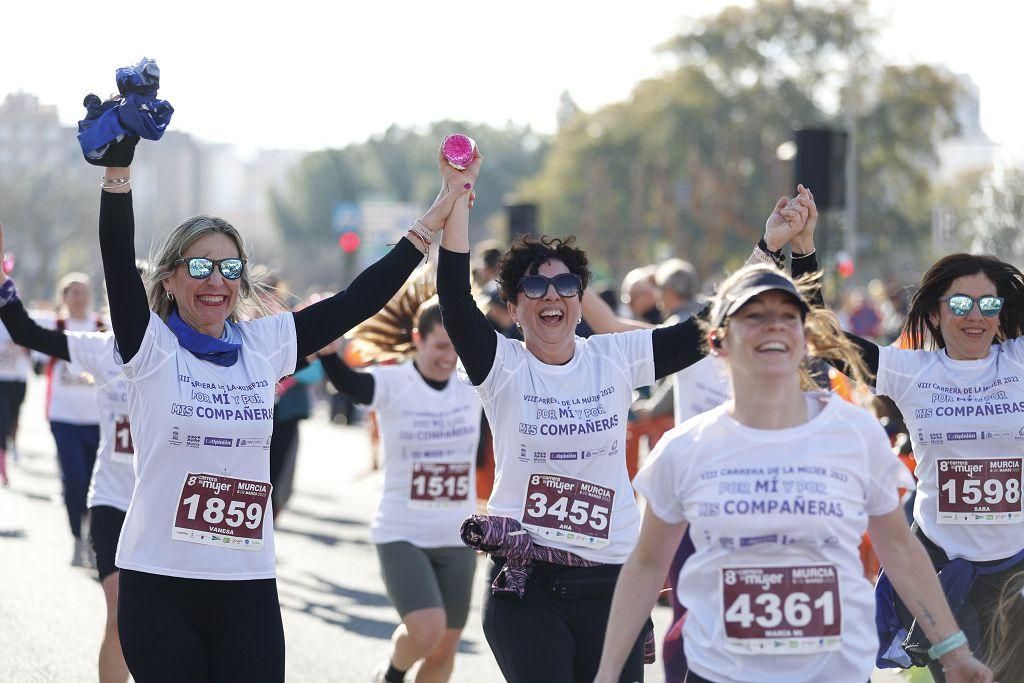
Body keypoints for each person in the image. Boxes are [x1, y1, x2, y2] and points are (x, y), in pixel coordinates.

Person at [90, 121, 471, 682]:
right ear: (170, 280)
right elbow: (118, 265)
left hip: (247, 582)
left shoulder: (263, 344)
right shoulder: (151, 346)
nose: (215, 280)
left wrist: (434, 218)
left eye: (229, 268)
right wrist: (118, 174)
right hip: (158, 579)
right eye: (198, 266)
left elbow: (357, 300)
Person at [435, 144, 813, 682]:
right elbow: (452, 298)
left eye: (565, 284)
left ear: (579, 298)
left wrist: (769, 247)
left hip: (613, 586)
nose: (552, 295)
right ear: (515, 308)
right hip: (529, 586)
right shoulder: (503, 365)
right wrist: (458, 198)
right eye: (535, 286)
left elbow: (702, 332)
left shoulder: (612, 357)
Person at [593, 263, 993, 683]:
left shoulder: (854, 435)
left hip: (834, 673)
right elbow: (645, 566)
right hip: (723, 675)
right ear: (717, 341)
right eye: (755, 316)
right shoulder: (685, 449)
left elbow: (899, 548)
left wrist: (954, 651)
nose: (775, 327)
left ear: (805, 340)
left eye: (788, 316)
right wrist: (607, 673)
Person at [0, 223, 136, 682]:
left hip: (164, 510)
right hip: (114, 501)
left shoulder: (186, 354)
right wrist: (2, 281)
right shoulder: (102, 348)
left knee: (164, 628)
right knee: (119, 622)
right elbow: (22, 330)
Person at [320, 290, 480, 683]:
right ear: (417, 339)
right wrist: (327, 354)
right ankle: (391, 674)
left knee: (443, 650)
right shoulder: (394, 382)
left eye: (456, 346)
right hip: (402, 532)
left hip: (457, 535)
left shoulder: (474, 382)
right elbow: (350, 385)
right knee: (427, 630)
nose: (449, 357)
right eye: (441, 346)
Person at [40, 270, 104, 566]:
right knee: (74, 480)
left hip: (99, 420)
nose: (79, 298)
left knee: (95, 482)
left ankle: (92, 536)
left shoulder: (102, 326)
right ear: (63, 297)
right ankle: (77, 537)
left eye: (83, 292)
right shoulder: (54, 326)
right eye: (73, 292)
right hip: (63, 417)